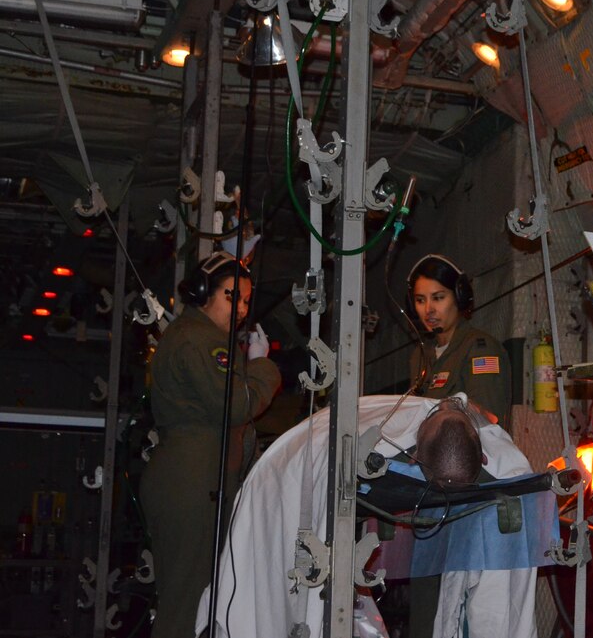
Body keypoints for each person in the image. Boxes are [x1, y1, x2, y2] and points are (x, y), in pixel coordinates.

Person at [196, 393, 548, 638]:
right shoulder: (360, 442)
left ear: (483, 459)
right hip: (282, 485)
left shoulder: (508, 465)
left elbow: (504, 606)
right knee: (280, 608)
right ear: (412, 459)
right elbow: (295, 487)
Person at [140, 251, 281, 638]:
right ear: (203, 293)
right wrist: (262, 366)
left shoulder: (193, 336)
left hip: (195, 478)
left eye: (247, 301)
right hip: (195, 481)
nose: (241, 309)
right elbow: (236, 406)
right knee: (187, 606)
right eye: (232, 296)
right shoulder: (201, 340)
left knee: (194, 601)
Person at [407, 254, 513, 429]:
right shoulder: (420, 355)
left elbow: (487, 420)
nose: (428, 309)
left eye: (438, 298)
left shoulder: (481, 349)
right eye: (420, 300)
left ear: (459, 297)